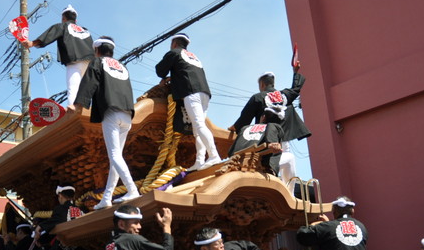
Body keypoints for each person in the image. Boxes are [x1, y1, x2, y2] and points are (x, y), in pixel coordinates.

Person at [69, 36, 140, 209]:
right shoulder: (122, 67)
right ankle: (106, 198)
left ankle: (132, 189)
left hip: (111, 113)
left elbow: (89, 82)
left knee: (114, 156)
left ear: (97, 50)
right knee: (116, 158)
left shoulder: (98, 62)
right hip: (127, 114)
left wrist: (77, 105)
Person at [229, 63, 305, 187]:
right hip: (283, 138)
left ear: (262, 84)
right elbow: (296, 88)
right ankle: (289, 192)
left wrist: (234, 127)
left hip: (266, 140)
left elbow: (244, 119)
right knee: (288, 160)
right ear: (273, 83)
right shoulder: (284, 96)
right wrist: (295, 72)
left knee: (285, 160)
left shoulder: (258, 97)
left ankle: (283, 189)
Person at [155, 32, 221, 171]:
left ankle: (214, 155)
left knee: (199, 126)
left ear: (174, 43)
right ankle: (199, 161)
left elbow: (160, 71)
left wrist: (166, 77)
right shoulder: (194, 57)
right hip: (205, 93)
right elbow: (185, 72)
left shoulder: (174, 53)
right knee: (198, 129)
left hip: (191, 93)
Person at [25, 5, 94, 105]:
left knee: (73, 88)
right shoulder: (86, 31)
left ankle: (73, 110)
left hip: (75, 61)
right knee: (87, 90)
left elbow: (49, 35)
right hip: (91, 63)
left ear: (63, 18)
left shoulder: (63, 26)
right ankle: (89, 111)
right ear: (75, 19)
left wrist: (32, 43)